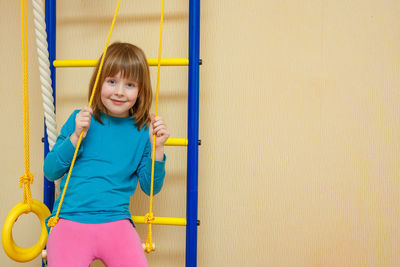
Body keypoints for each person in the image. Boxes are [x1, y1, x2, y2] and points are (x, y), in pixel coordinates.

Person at [43, 42, 169, 267]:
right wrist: (75, 137)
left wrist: (158, 149)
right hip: (70, 219)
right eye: (112, 81)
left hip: (116, 222)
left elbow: (150, 188)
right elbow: (51, 171)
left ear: (141, 90)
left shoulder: (143, 130)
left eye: (130, 84)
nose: (119, 91)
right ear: (98, 82)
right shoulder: (80, 119)